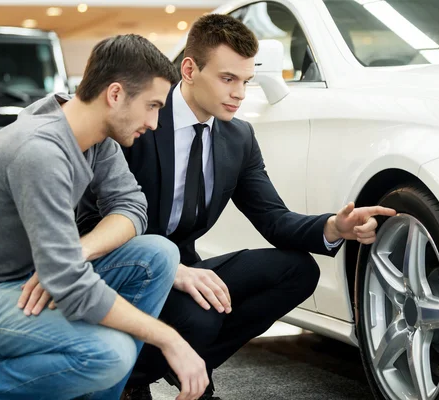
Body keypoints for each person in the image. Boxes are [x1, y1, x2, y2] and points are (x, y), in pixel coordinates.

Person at [78, 15, 396, 400]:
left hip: (189, 268)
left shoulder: (238, 137)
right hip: (127, 273)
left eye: (246, 81)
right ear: (190, 69)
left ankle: (161, 367)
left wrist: (334, 227)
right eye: (228, 79)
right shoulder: (141, 119)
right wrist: (168, 269)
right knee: (203, 314)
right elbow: (90, 221)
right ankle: (134, 375)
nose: (240, 93)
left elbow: (274, 219)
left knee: (297, 271)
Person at [0, 34, 210, 400]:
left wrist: (77, 252)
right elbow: (69, 282)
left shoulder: (97, 141)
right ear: (115, 94)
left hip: (27, 281)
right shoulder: (39, 151)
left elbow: (132, 207)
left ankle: (100, 395)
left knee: (158, 253)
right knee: (110, 353)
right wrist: (168, 338)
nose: (155, 122)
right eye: (152, 105)